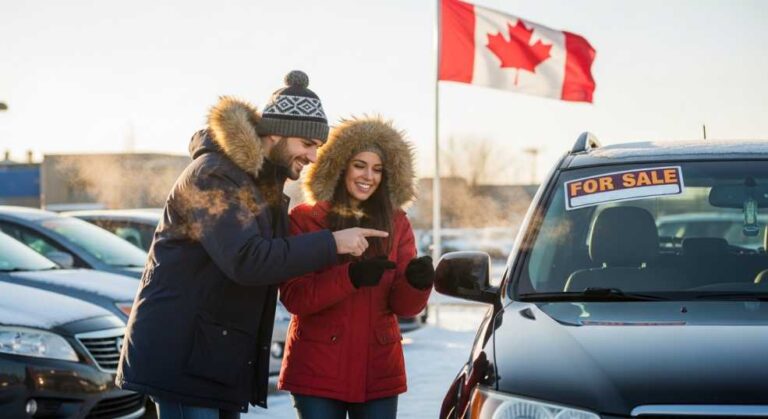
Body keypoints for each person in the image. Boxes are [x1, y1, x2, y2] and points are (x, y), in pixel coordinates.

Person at [115, 71, 389, 419]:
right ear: (276, 133)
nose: (313, 156)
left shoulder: (262, 186)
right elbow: (247, 259)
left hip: (212, 356)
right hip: (181, 356)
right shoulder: (214, 174)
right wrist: (332, 243)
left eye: (318, 147)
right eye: (308, 144)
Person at [278, 116, 435, 419]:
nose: (369, 176)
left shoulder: (397, 222)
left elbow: (404, 307)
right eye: (360, 165)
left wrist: (417, 284)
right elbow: (296, 297)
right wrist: (349, 276)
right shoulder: (305, 219)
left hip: (378, 372)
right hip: (317, 370)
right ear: (340, 166)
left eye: (378, 169)